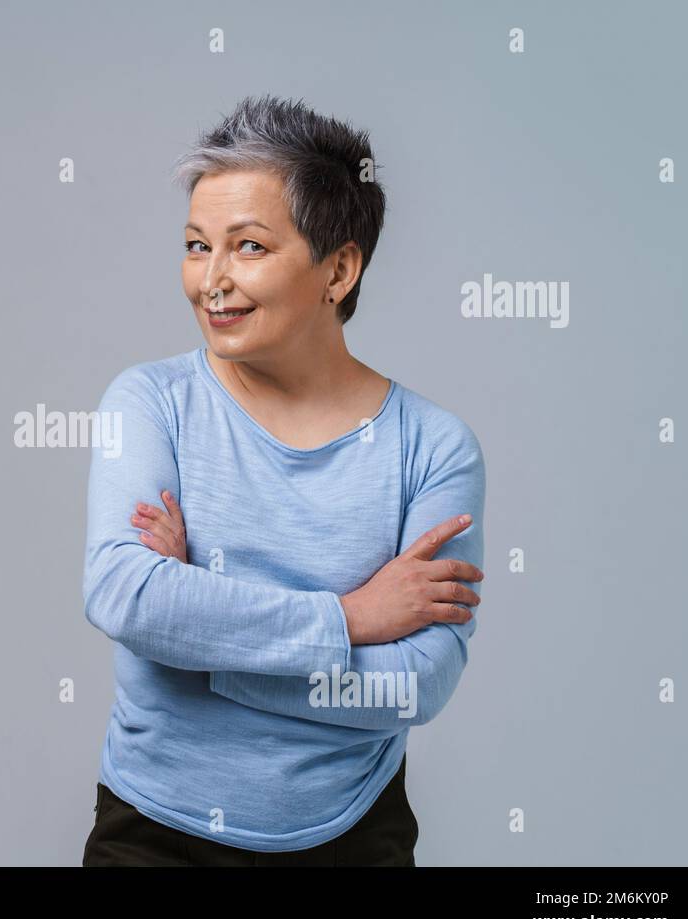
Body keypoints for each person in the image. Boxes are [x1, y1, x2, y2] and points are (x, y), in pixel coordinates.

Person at [81, 94, 486, 866]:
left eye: (250, 247)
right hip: (154, 831)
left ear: (339, 268)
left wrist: (196, 644)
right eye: (197, 245)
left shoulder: (434, 448)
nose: (212, 280)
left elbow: (415, 687)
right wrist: (349, 619)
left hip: (352, 835)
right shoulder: (149, 403)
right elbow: (123, 595)